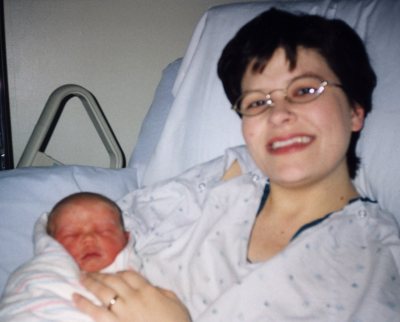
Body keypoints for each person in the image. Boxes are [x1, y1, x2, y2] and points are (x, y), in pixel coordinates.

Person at [73, 8, 400, 322]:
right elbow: (75, 229)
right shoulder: (226, 175)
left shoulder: (375, 254)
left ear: (355, 111)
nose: (279, 114)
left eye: (305, 90)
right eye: (258, 102)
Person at [0, 192, 141, 321]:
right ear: (51, 242)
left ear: (126, 237)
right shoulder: (37, 274)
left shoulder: (140, 277)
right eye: (71, 235)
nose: (89, 239)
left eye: (104, 231)